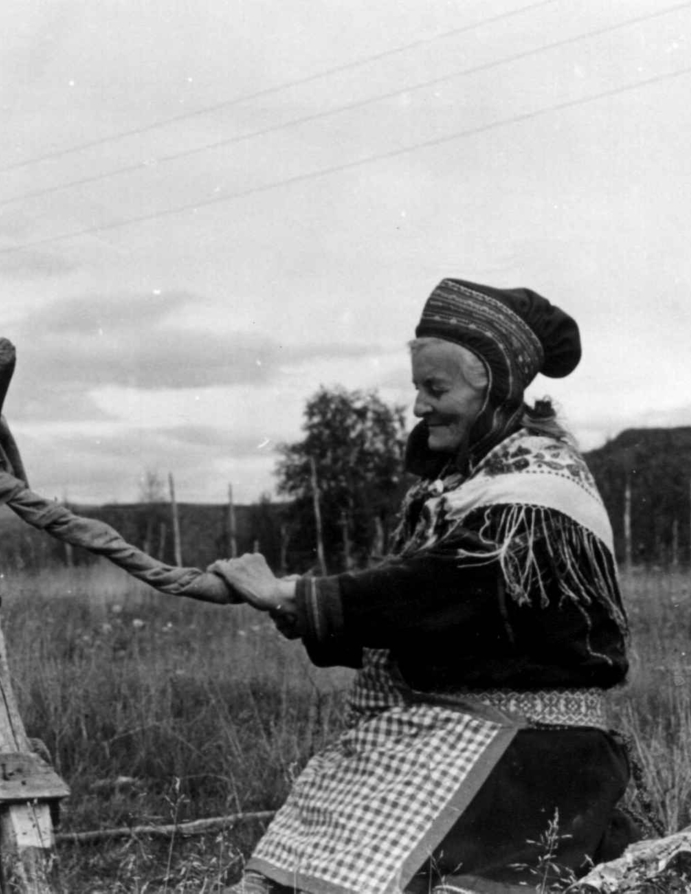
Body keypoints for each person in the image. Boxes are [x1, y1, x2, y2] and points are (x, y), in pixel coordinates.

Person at [210, 278, 638, 894]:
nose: (417, 408)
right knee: (299, 858)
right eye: (418, 388)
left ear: (493, 382)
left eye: (435, 389)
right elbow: (434, 630)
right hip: (457, 721)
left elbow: (442, 592)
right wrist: (301, 613)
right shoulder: (467, 484)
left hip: (529, 749)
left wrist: (295, 594)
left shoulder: (540, 487)